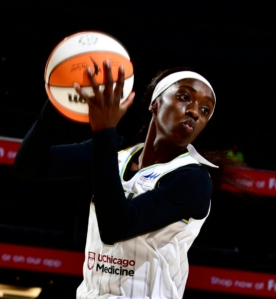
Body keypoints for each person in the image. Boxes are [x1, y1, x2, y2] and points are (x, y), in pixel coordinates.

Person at [14, 61, 217, 298]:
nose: (194, 111)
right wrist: (59, 97)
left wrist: (104, 132)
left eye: (205, 110)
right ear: (155, 103)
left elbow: (116, 226)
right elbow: (29, 167)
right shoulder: (117, 151)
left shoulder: (194, 179)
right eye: (184, 97)